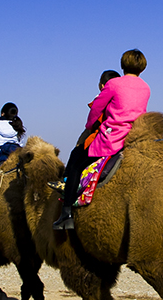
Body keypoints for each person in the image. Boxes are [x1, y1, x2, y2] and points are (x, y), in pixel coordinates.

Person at [53, 50, 149, 230]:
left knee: (75, 161)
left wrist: (90, 125)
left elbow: (96, 109)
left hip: (112, 138)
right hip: (134, 137)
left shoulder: (113, 84)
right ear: (142, 68)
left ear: (122, 65)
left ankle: (66, 213)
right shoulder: (146, 87)